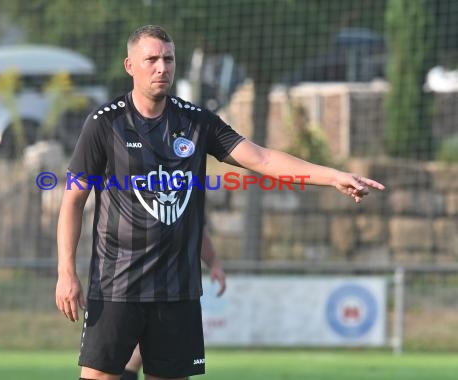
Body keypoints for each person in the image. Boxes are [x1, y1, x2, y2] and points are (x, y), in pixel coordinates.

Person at [55, 24, 385, 380]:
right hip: (116, 286)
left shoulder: (197, 123)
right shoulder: (105, 124)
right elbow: (73, 200)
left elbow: (262, 159)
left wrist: (333, 175)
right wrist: (66, 271)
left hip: (177, 290)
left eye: (168, 59)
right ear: (130, 66)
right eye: (151, 59)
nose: (162, 67)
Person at [121, 232, 226, 380]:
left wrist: (214, 262)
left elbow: (198, 226)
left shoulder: (188, 211)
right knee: (128, 358)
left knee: (170, 365)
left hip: (176, 290)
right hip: (132, 284)